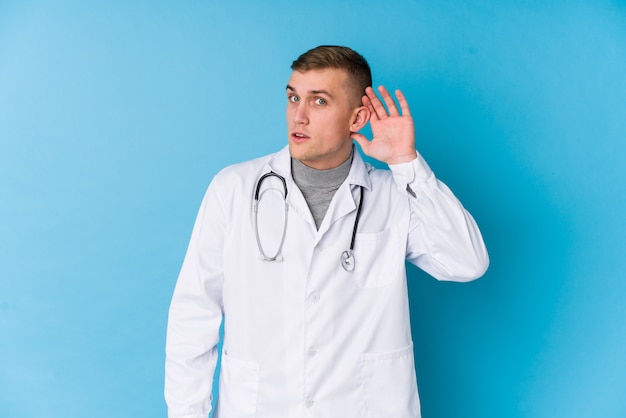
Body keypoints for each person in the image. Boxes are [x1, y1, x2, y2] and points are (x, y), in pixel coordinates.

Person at [165, 45, 489, 418]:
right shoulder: (234, 189)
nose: (298, 116)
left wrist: (407, 164)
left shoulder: (395, 196)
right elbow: (193, 313)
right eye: (293, 98)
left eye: (318, 102)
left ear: (357, 118)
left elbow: (468, 263)